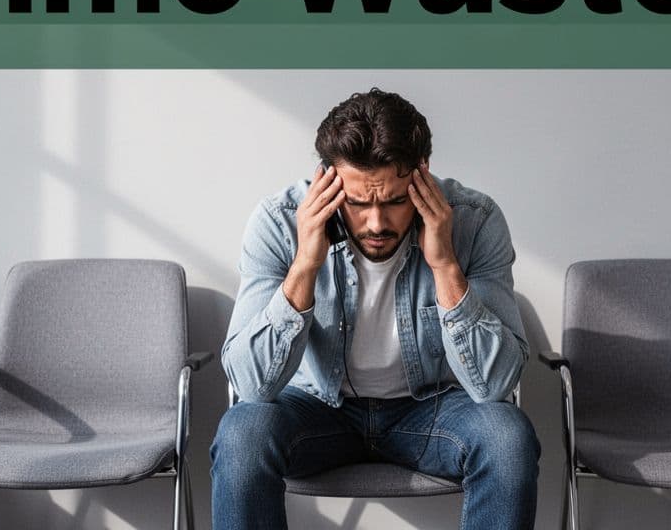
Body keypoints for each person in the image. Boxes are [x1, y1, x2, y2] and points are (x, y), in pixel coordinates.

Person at [212, 88, 539, 530]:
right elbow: (251, 386)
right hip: (316, 409)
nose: (377, 223)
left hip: (432, 410)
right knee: (242, 434)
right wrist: (305, 264)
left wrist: (445, 264)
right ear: (328, 180)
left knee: (507, 439)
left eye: (395, 201)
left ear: (422, 175)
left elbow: (495, 385)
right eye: (357, 203)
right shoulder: (280, 220)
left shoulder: (474, 220)